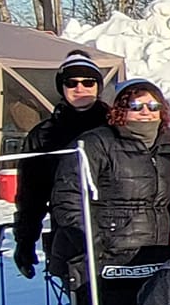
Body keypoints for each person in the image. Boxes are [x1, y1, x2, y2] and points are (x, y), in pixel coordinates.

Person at [49, 79, 170, 305]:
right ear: (120, 108)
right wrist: (94, 244)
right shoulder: (96, 143)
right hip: (111, 255)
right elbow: (69, 199)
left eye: (152, 105)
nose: (146, 111)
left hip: (157, 251)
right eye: (136, 105)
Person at [14, 51, 111, 280]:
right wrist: (25, 241)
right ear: (62, 87)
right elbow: (31, 194)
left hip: (118, 227)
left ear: (98, 86)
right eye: (72, 83)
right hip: (69, 230)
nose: (80, 88)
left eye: (88, 82)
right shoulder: (43, 135)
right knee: (81, 304)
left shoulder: (117, 125)